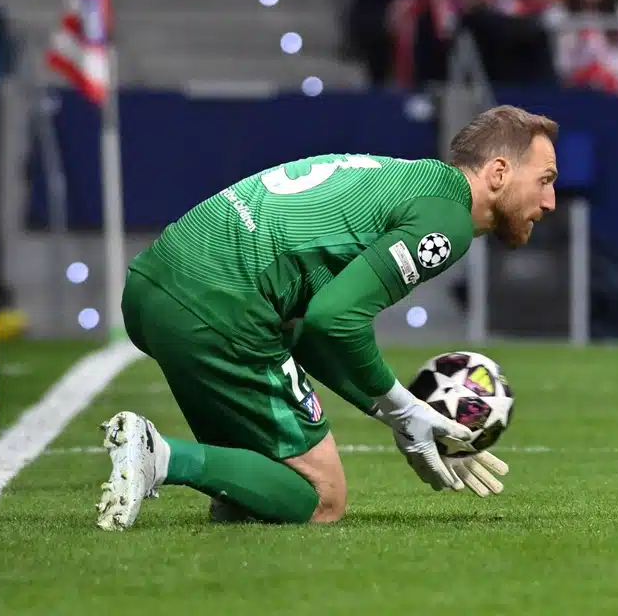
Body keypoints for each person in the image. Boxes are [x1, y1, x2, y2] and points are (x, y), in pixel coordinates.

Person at [95, 106, 559, 530]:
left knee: (263, 488)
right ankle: (159, 456)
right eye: (545, 179)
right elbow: (335, 320)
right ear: (499, 172)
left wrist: (399, 416)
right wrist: (402, 405)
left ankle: (234, 493)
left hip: (153, 287)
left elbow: (311, 332)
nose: (551, 200)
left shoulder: (408, 180)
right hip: (222, 304)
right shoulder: (449, 218)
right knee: (323, 500)